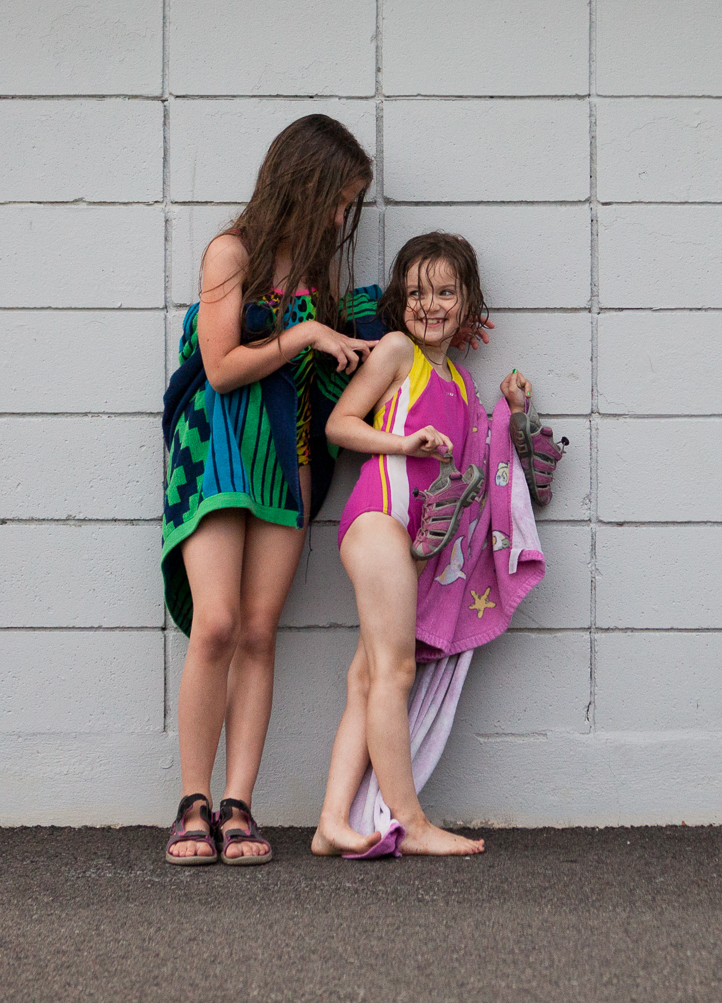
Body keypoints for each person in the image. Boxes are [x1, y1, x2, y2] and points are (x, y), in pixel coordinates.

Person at [159, 114, 379, 866]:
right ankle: (192, 800)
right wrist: (308, 335)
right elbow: (221, 368)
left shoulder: (317, 282)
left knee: (258, 629)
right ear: (307, 182)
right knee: (216, 624)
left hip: (286, 459)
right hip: (218, 452)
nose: (341, 217)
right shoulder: (232, 252)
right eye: (339, 199)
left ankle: (238, 802)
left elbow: (365, 326)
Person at [309, 232, 532, 858]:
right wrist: (402, 444)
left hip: (409, 540)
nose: (428, 304)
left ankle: (331, 821)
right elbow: (339, 425)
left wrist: (512, 407)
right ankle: (410, 821)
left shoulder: (457, 379)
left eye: (444, 292)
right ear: (398, 303)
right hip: (380, 522)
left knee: (367, 676)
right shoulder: (397, 352)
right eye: (414, 293)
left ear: (467, 303)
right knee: (396, 671)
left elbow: (481, 460)